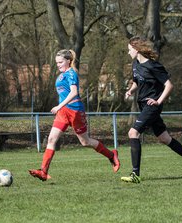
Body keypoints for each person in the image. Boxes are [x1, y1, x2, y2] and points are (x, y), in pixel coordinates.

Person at [29, 49, 120, 181]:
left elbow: (73, 93)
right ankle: (43, 171)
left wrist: (59, 106)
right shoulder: (61, 75)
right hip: (63, 113)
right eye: (57, 62)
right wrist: (61, 108)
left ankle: (112, 155)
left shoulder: (71, 73)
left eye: (60, 62)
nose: (58, 65)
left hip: (75, 111)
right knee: (51, 139)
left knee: (85, 141)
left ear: (68, 61)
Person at [121, 36, 182, 184]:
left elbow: (169, 85)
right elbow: (137, 81)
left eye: (129, 49)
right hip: (143, 105)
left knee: (133, 133)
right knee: (164, 138)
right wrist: (131, 91)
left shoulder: (153, 66)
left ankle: (135, 174)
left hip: (152, 106)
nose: (128, 52)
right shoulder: (135, 64)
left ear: (136, 49)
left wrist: (158, 101)